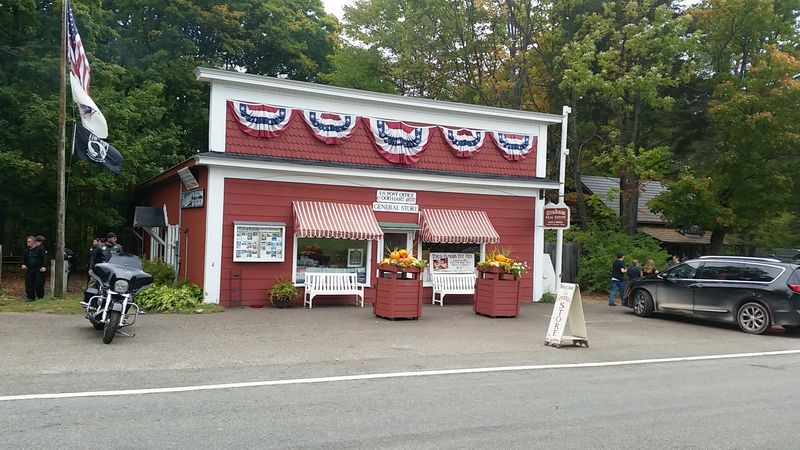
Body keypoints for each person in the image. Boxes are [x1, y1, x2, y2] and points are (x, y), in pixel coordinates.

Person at [21, 235, 47, 301]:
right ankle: (30, 297)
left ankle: (40, 297)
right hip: (29, 269)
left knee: (39, 284)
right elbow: (23, 259)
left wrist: (44, 266)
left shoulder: (40, 249)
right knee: (29, 284)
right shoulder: (26, 251)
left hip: (39, 269)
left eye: (29, 241)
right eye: (27, 241)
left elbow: (45, 258)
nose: (28, 243)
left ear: (34, 242)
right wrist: (23, 264)